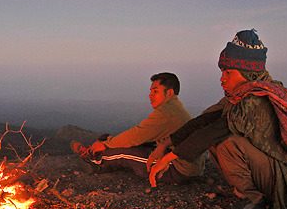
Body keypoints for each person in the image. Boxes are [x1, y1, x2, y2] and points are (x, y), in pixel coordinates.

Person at [148, 29, 287, 209]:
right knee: (215, 135)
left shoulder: (256, 99)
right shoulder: (240, 96)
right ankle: (247, 191)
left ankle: (256, 201)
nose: (222, 79)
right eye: (222, 72)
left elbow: (217, 129)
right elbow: (206, 121)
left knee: (226, 141)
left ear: (248, 72)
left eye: (229, 72)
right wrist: (166, 144)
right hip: (277, 172)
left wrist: (170, 157)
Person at [71, 72, 204, 183]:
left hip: (177, 169)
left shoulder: (167, 112)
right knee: (118, 142)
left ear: (169, 93)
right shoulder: (174, 108)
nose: (150, 95)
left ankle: (95, 161)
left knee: (123, 152)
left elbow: (135, 136)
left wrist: (106, 144)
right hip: (183, 164)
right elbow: (144, 137)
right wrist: (108, 141)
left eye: (155, 91)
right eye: (151, 91)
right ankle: (96, 149)